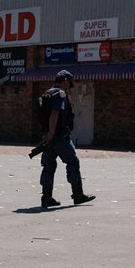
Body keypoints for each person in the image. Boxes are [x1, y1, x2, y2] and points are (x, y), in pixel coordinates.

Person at [38, 70, 95, 208]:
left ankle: (46, 198)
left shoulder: (47, 93)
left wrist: (47, 134)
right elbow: (55, 113)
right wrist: (52, 132)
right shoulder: (59, 94)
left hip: (48, 136)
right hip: (59, 137)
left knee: (48, 166)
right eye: (69, 82)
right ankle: (78, 195)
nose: (69, 86)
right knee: (73, 162)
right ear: (64, 80)